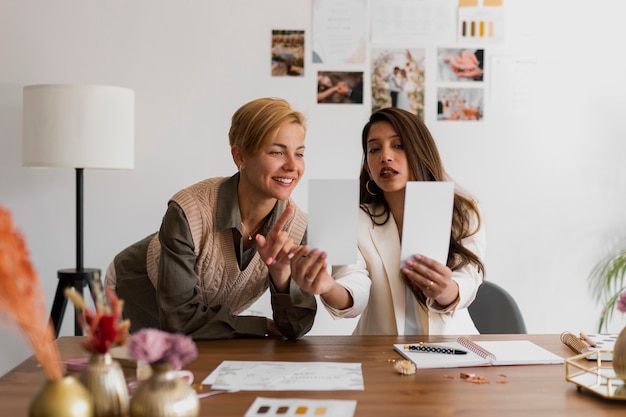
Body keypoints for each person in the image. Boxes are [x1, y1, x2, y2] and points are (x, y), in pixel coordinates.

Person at [104, 97, 316, 340]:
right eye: (277, 152)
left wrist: (281, 279)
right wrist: (259, 326)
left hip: (203, 322)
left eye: (299, 154)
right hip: (137, 292)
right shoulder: (188, 210)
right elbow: (178, 318)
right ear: (240, 157)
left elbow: (295, 328)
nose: (292, 166)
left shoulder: (297, 228)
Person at [288, 107, 485, 335]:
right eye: (374, 149)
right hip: (378, 351)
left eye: (398, 145)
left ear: (420, 152)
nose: (386, 157)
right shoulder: (347, 214)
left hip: (451, 348)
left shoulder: (464, 210)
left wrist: (446, 290)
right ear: (367, 168)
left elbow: (470, 277)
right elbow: (353, 283)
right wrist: (328, 287)